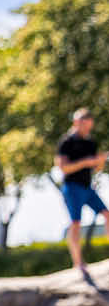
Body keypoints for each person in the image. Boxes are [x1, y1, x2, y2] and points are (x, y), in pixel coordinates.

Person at [56, 108, 109, 277]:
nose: (86, 128)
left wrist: (99, 162)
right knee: (76, 223)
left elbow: (96, 168)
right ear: (76, 123)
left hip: (87, 187)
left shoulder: (90, 143)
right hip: (72, 187)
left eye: (88, 125)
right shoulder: (66, 142)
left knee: (107, 214)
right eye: (83, 124)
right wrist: (85, 162)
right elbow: (63, 167)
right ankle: (78, 262)